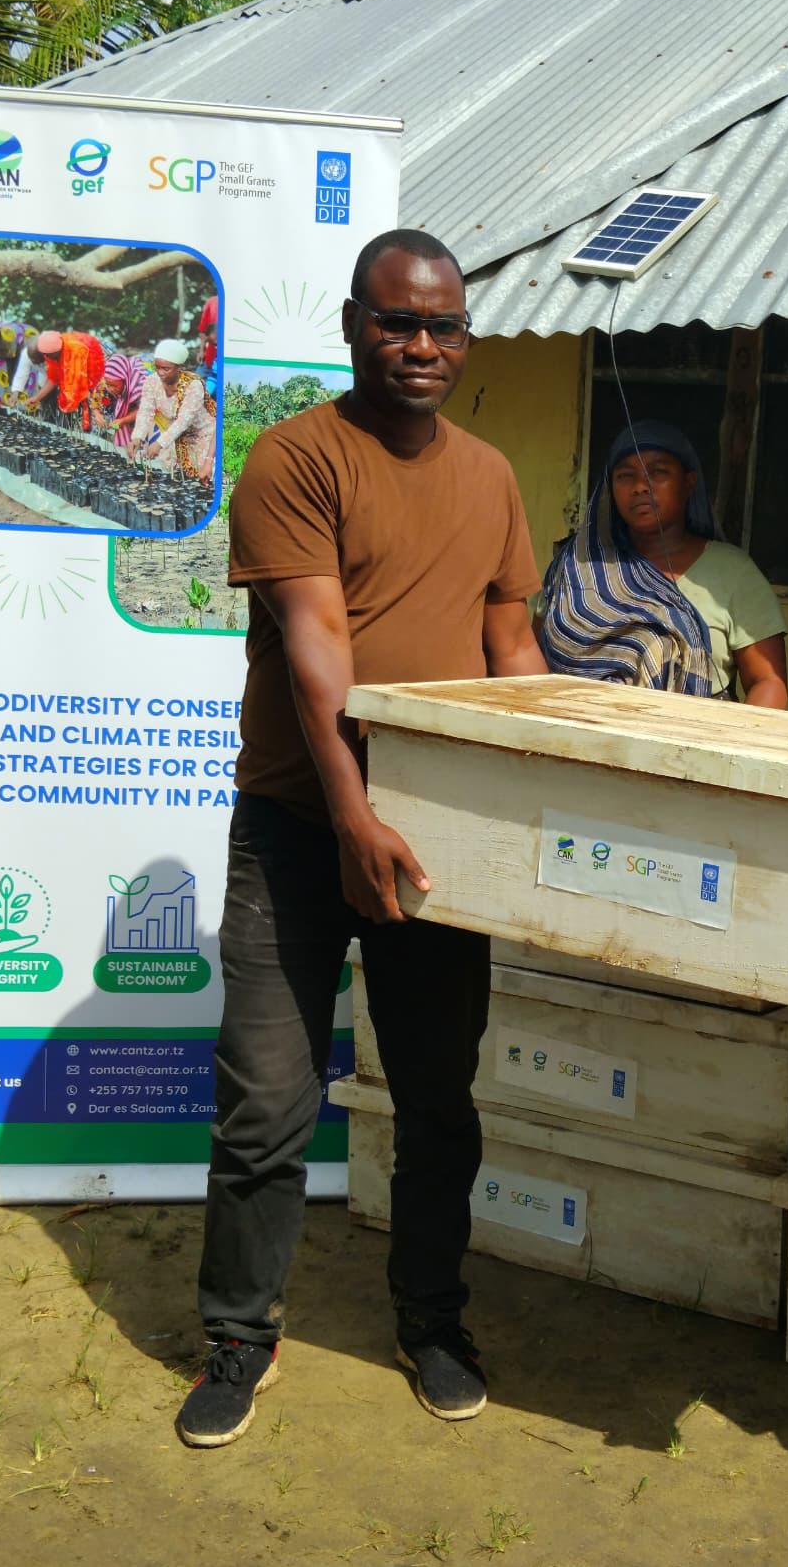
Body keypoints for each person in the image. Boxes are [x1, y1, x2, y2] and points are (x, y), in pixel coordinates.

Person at [178, 229, 545, 1450]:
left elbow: (513, 656)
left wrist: (549, 797)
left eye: (442, 326)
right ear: (351, 326)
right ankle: (240, 1334)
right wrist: (349, 818)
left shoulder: (492, 477)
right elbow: (312, 644)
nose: (421, 346)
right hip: (298, 823)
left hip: (436, 832)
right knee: (266, 1101)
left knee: (440, 1098)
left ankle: (431, 1320)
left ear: (466, 338)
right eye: (396, 323)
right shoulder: (296, 459)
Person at [538, 419, 788, 706]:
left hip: (692, 742)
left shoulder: (733, 572)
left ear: (689, 482)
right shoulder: (578, 567)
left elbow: (768, 682)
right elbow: (532, 654)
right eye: (625, 475)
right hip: (577, 739)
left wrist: (728, 745)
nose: (640, 486)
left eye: (658, 472)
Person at [130, 338, 216, 483]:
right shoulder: (152, 381)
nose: (160, 372)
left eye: (166, 368)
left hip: (201, 435)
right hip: (175, 436)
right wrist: (137, 437)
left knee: (200, 478)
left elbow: (184, 421)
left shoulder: (193, 386)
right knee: (175, 478)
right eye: (157, 367)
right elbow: (145, 411)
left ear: (180, 368)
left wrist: (159, 444)